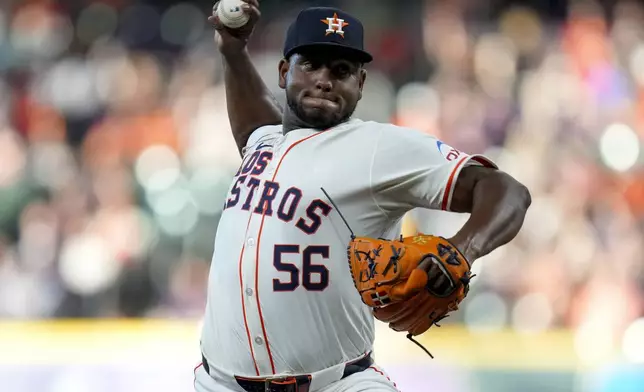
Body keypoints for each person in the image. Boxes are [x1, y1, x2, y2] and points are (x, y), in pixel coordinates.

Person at [195, 3, 532, 392]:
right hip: (220, 384)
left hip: (337, 384)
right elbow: (254, 123)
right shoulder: (265, 143)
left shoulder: (379, 147)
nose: (325, 80)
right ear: (285, 72)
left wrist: (463, 249)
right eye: (311, 65)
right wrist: (232, 53)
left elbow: (508, 191)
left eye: (341, 71)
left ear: (361, 84)